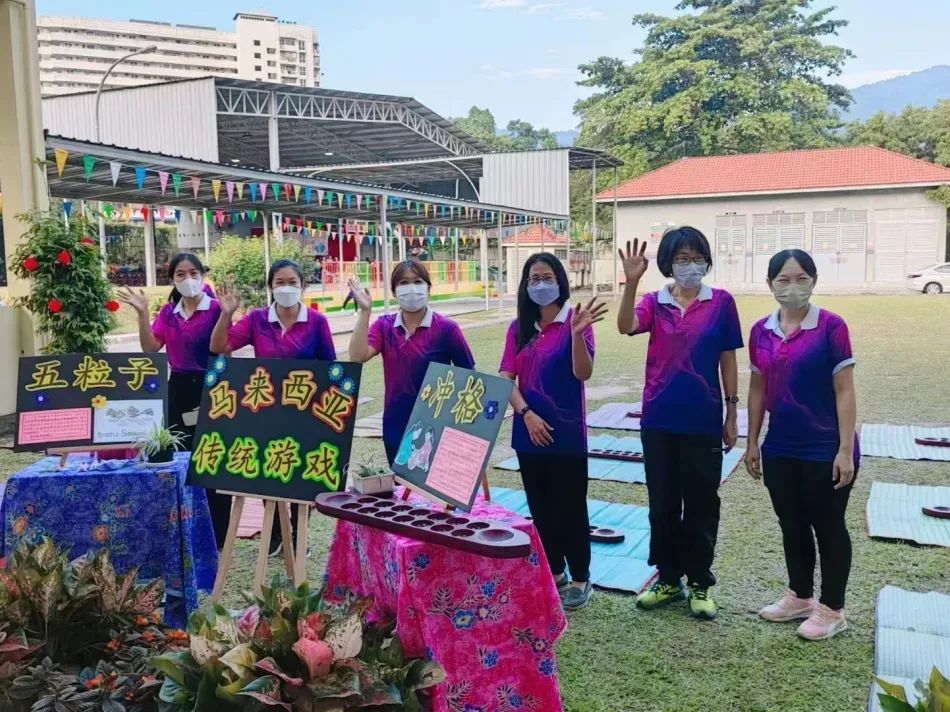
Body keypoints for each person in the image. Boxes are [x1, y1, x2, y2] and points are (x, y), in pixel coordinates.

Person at [617, 228, 742, 621]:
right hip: (659, 420)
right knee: (663, 504)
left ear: (706, 259)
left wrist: (732, 411)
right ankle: (668, 578)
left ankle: (700, 582)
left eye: (696, 256)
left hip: (703, 419)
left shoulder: (721, 303)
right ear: (668, 264)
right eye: (681, 258)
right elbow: (625, 326)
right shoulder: (655, 303)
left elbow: (728, 358)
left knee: (703, 504)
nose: (689, 265)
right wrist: (631, 283)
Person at [745, 249, 858, 641]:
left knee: (828, 526)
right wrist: (752, 442)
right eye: (783, 280)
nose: (792, 287)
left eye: (800, 279)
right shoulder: (760, 330)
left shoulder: (831, 327)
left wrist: (845, 449)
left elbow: (844, 391)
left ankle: (832, 609)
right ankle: (800, 596)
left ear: (813, 281)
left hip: (825, 446)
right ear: (770, 284)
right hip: (781, 447)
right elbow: (757, 389)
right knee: (790, 524)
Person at [500, 253, 607, 611]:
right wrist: (526, 414)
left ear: (560, 281)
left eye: (547, 277)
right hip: (527, 434)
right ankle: (555, 572)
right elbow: (506, 380)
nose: (540, 284)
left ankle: (580, 577)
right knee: (541, 508)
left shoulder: (575, 321)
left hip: (567, 434)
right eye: (533, 279)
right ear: (525, 286)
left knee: (570, 507)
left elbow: (583, 373)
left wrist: (577, 336)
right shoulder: (519, 328)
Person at [211, 258, 336, 555]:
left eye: (292, 282)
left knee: (297, 472)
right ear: (270, 287)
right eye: (280, 282)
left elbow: (330, 367)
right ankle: (277, 532)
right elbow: (219, 348)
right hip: (265, 408)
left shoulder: (317, 322)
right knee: (269, 469)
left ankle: (296, 532)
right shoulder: (257, 319)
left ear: (302, 286)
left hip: (304, 410)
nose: (286, 288)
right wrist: (225, 315)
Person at [118, 253, 232, 546]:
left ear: (203, 275)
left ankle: (218, 534)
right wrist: (143, 314)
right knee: (180, 459)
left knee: (213, 460)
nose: (188, 279)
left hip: (212, 388)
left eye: (193, 273)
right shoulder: (169, 313)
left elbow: (226, 352)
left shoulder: (218, 308)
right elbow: (150, 348)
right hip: (178, 389)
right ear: (173, 279)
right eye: (180, 274)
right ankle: (187, 529)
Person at [347, 260, 475, 464]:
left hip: (435, 425)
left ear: (428, 288)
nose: (411, 288)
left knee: (432, 491)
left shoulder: (447, 329)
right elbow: (357, 357)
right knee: (401, 491)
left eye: (417, 281)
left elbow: (470, 377)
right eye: (404, 282)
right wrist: (365, 312)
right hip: (396, 422)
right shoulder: (384, 326)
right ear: (395, 291)